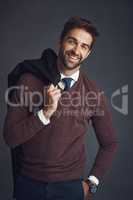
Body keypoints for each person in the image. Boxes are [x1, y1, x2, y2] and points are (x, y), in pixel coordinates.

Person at [3, 16, 118, 200]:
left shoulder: (94, 93)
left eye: (84, 46)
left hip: (70, 189)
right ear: (60, 41)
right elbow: (10, 138)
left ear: (88, 53)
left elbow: (110, 143)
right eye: (72, 41)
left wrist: (92, 183)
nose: (76, 50)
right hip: (28, 185)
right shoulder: (28, 80)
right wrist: (45, 113)